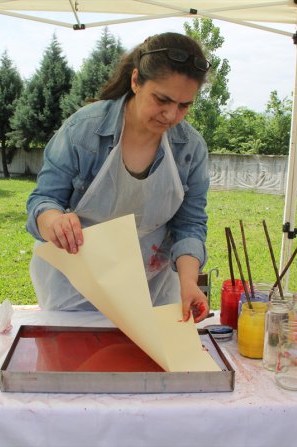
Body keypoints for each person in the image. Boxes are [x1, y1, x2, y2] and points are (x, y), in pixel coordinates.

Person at [26, 32, 211, 323]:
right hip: (77, 286)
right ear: (136, 81)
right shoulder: (84, 130)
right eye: (162, 99)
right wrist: (54, 221)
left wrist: (189, 282)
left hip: (152, 287)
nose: (171, 115)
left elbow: (190, 224)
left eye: (184, 105)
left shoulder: (190, 148)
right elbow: (44, 199)